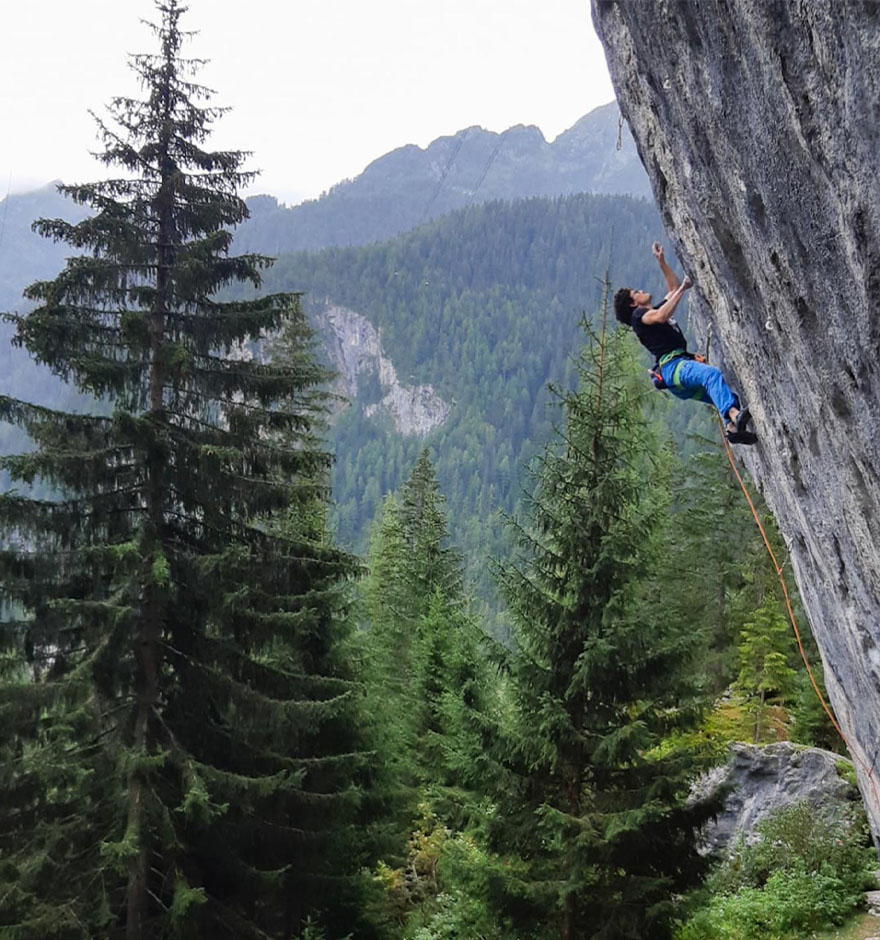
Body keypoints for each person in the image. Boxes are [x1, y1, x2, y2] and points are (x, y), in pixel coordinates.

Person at [613, 242, 756, 445]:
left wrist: (661, 262)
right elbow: (663, 314)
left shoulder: (648, 314)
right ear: (633, 303)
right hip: (674, 368)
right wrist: (683, 289)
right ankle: (733, 416)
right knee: (712, 375)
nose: (641, 290)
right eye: (636, 291)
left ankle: (733, 429)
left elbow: (671, 288)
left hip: (676, 377)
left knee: (723, 393)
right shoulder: (639, 316)